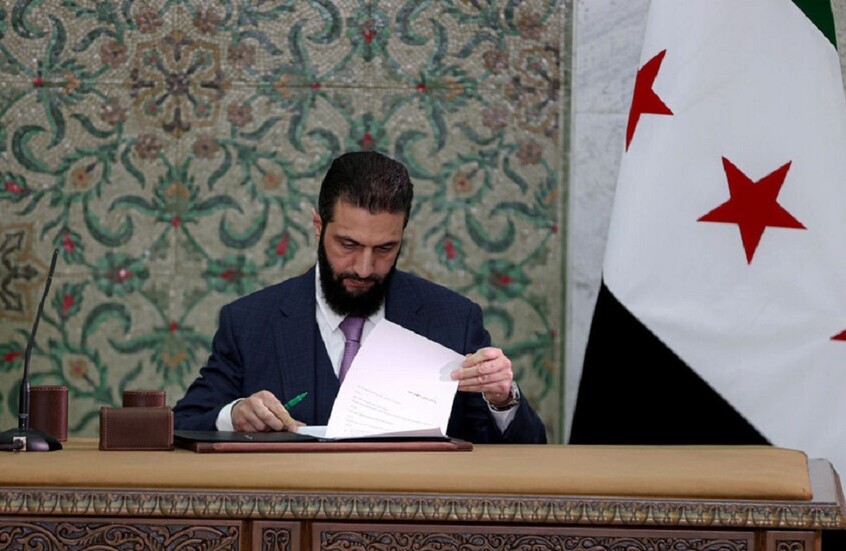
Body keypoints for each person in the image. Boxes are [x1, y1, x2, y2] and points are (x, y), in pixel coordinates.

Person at [173, 151, 547, 444]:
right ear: (318, 227)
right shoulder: (249, 322)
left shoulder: (454, 320)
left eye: (385, 248)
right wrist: (234, 414)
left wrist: (503, 398)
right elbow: (183, 423)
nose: (365, 268)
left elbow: (523, 452)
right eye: (348, 245)